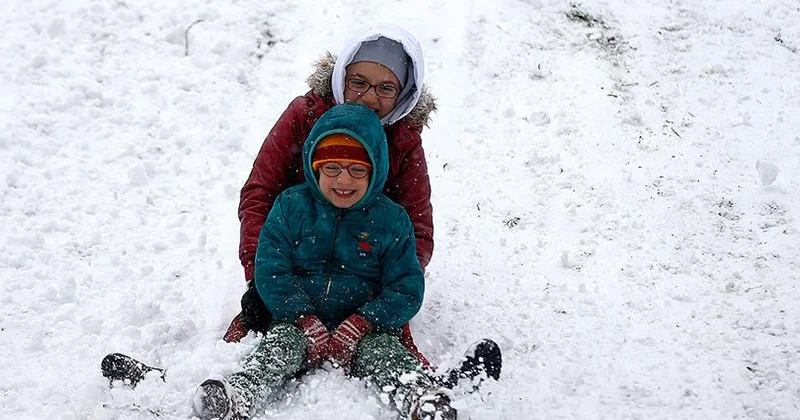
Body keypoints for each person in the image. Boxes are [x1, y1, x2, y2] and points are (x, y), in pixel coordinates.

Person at [193, 104, 456, 420]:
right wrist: (301, 316)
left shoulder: (392, 220)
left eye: (358, 169)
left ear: (375, 171)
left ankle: (421, 398)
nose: (344, 180)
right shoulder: (291, 207)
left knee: (385, 354)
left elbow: (407, 286)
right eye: (332, 167)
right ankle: (239, 396)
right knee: (279, 346)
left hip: (363, 329)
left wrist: (365, 322)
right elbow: (271, 268)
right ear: (315, 167)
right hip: (297, 322)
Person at [226, 23, 437, 367]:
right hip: (299, 250)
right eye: (359, 83)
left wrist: (393, 288)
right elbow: (260, 192)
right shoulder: (306, 116)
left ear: (404, 94)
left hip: (364, 260)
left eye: (386, 88)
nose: (370, 97)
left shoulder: (403, 138)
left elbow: (416, 223)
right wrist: (259, 274)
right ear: (341, 77)